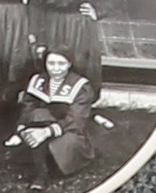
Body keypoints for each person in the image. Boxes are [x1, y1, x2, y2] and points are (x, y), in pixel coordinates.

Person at [9, 46, 100, 180]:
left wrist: (46, 132)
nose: (56, 68)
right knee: (37, 114)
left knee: (65, 146)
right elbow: (27, 108)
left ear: (69, 64)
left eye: (61, 63)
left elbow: (76, 120)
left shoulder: (81, 86)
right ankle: (41, 171)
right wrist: (21, 130)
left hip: (69, 129)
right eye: (51, 63)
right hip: (38, 127)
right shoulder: (38, 80)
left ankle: (43, 167)